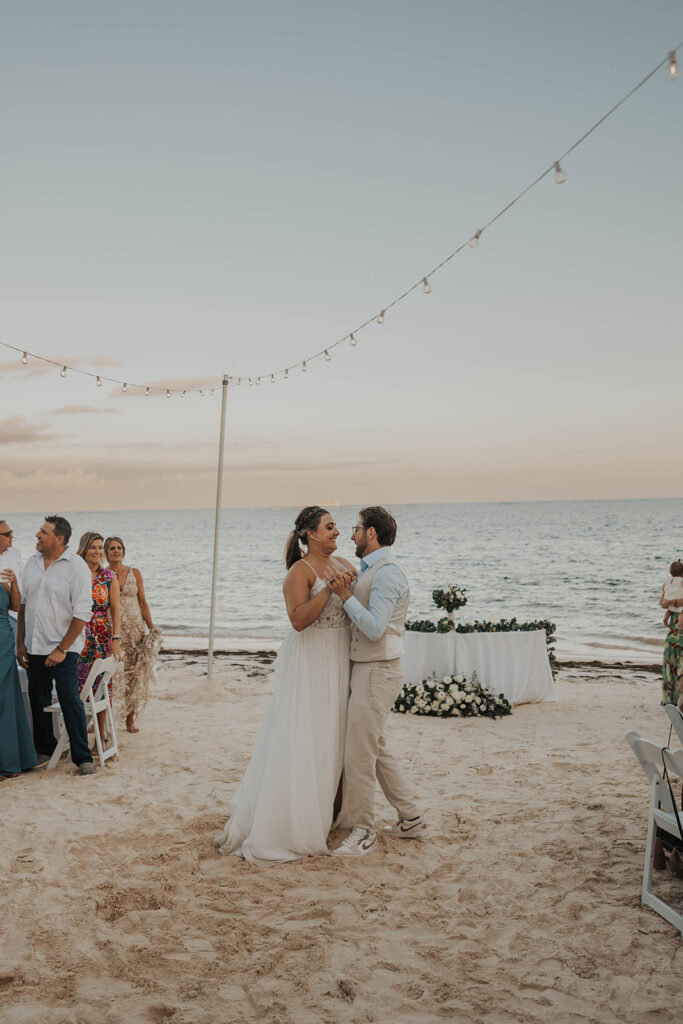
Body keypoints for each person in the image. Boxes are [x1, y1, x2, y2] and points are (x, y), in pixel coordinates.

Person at [215, 506, 357, 865]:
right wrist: (328, 591)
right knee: (305, 737)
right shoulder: (300, 571)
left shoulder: (340, 562)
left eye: (336, 526)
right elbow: (297, 621)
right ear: (310, 533)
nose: (336, 532)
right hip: (311, 662)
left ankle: (328, 813)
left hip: (338, 658)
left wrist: (351, 581)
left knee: (333, 737)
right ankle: (293, 821)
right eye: (329, 527)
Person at [328, 506, 427, 857]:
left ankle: (363, 829)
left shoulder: (387, 575)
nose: (351, 535)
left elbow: (373, 628)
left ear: (371, 533)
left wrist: (345, 597)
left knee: (359, 754)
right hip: (368, 669)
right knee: (377, 748)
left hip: (379, 670)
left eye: (356, 528)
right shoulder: (371, 571)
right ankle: (411, 819)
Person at [16, 516, 95, 775]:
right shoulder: (31, 563)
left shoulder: (76, 566)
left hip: (65, 648)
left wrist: (61, 649)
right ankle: (46, 748)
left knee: (69, 697)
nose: (37, 535)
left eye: (43, 532)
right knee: (38, 700)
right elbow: (25, 605)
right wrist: (20, 643)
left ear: (59, 539)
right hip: (34, 645)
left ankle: (82, 757)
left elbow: (82, 613)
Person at [104, 536, 157, 733]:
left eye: (119, 548)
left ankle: (130, 719)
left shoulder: (135, 573)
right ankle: (103, 718)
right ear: (106, 553)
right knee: (109, 674)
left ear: (123, 551)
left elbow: (143, 601)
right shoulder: (103, 574)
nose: (116, 551)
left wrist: (151, 628)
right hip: (114, 631)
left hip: (135, 630)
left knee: (134, 675)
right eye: (112, 548)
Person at [77, 532, 121, 742]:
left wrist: (116, 639)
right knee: (79, 686)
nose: (97, 551)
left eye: (99, 547)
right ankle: (79, 735)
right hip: (78, 636)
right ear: (84, 548)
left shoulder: (109, 577)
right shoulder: (75, 573)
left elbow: (116, 610)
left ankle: (101, 735)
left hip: (102, 637)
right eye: (93, 547)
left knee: (102, 686)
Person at [0, 562, 37, 779]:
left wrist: (14, 583)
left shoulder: (2, 580)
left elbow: (15, 606)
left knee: (7, 698)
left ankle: (12, 760)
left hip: (4, 641)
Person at [659, 559, 683, 710]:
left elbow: (662, 603)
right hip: (678, 623)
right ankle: (678, 698)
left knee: (672, 660)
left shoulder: (667, 583)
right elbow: (662, 603)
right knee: (679, 660)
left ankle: (671, 697)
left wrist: (671, 604)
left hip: (674, 623)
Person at [660, 560, 683, 631]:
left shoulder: (667, 582)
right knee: (682, 613)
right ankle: (681, 624)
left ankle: (665, 619)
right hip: (680, 607)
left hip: (670, 606)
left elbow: (662, 602)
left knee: (669, 611)